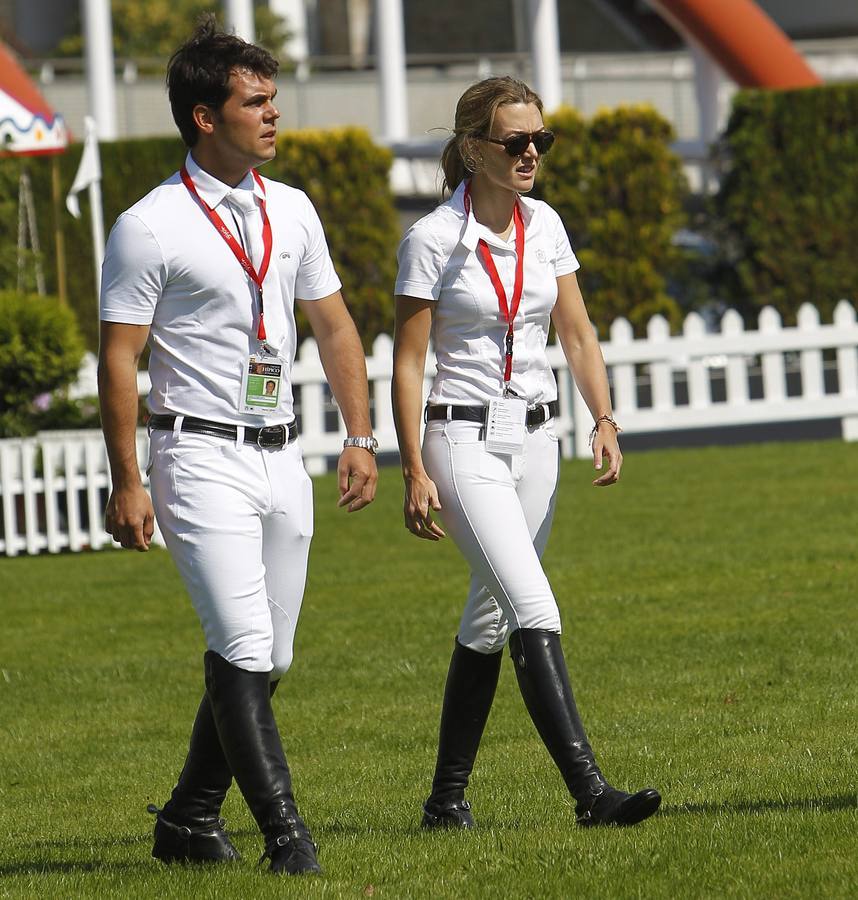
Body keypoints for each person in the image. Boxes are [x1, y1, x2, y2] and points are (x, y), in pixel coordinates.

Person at [98, 17, 378, 876]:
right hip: (197, 456)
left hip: (281, 455)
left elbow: (332, 328)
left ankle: (187, 817)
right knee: (246, 647)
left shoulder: (291, 207)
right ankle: (287, 838)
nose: (274, 115)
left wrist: (363, 437)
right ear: (203, 118)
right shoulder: (148, 226)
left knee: (268, 655)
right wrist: (128, 481)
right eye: (255, 102)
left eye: (273, 99)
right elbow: (119, 356)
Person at [391, 76, 660, 831]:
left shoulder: (545, 225)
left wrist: (602, 418)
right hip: (462, 440)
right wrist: (412, 467)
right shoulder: (432, 239)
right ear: (474, 148)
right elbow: (409, 362)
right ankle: (591, 794)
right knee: (534, 605)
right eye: (516, 141)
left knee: (488, 617)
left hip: (536, 438)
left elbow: (575, 332)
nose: (532, 152)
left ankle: (445, 803)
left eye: (541, 139)